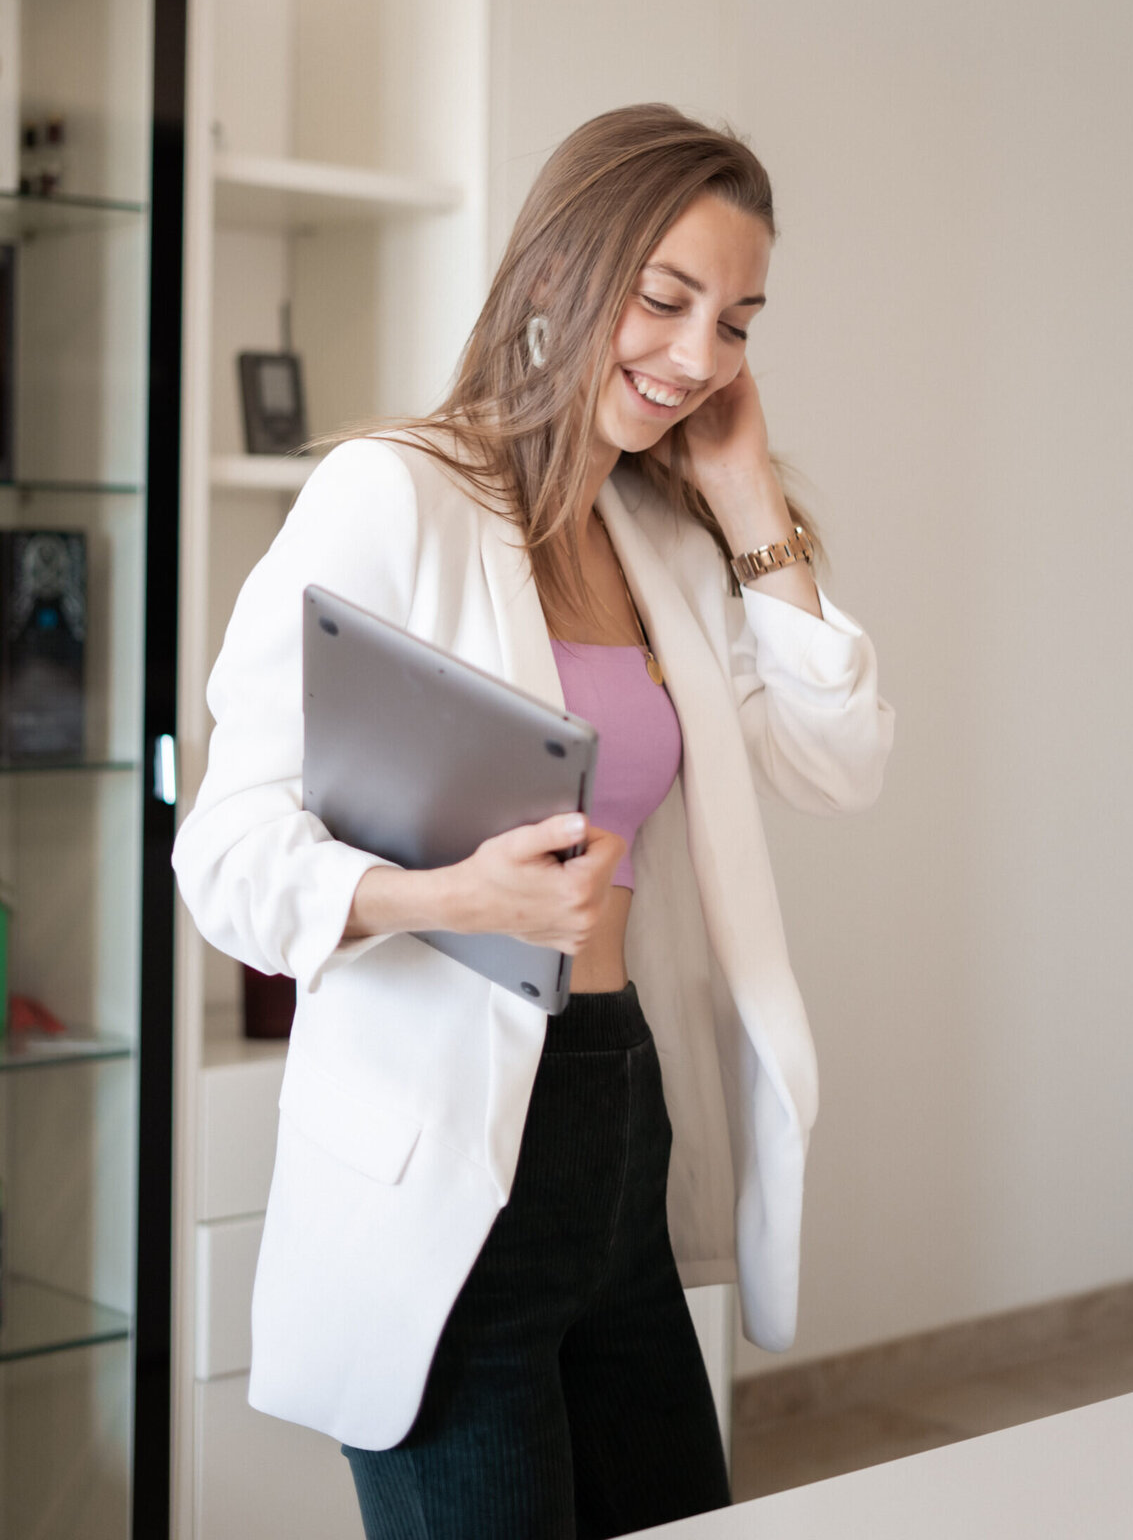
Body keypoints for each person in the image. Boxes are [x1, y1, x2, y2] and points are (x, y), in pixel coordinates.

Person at [173, 103, 895, 1539]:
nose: (699, 358)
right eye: (667, 297)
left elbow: (837, 761)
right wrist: (450, 900)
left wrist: (751, 496)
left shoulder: (671, 536)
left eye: (738, 323)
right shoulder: (394, 497)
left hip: (618, 1114)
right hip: (446, 1174)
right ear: (560, 272)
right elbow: (227, 856)